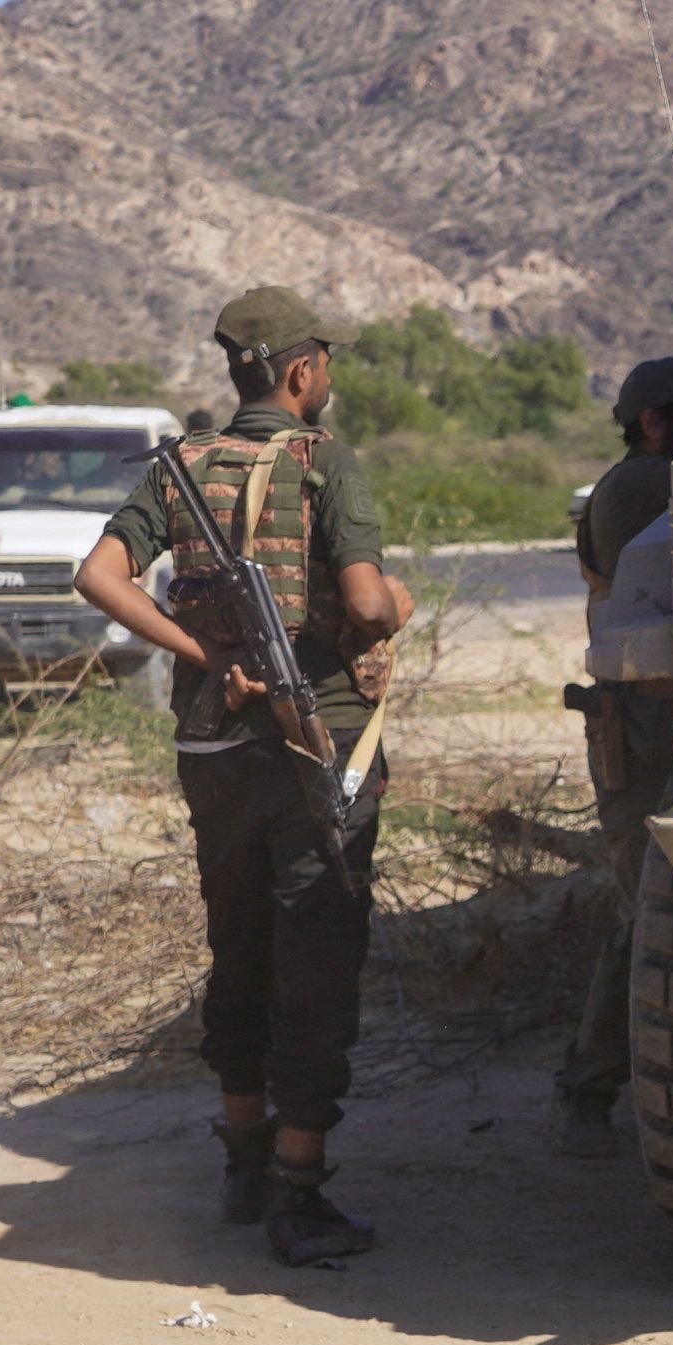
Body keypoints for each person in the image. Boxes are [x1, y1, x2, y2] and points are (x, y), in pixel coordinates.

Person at [73, 287, 407, 1265]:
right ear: (301, 371)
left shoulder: (181, 466)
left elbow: (98, 574)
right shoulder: (324, 462)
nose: (329, 378)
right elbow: (361, 600)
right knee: (318, 955)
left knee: (240, 941)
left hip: (213, 748)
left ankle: (242, 1160)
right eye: (326, 363)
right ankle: (299, 1191)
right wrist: (395, 605)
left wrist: (206, 659)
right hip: (321, 750)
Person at [550, 354, 673, 1157]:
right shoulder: (643, 489)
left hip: (672, 717)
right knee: (648, 908)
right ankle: (587, 1090)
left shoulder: (660, 482)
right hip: (642, 726)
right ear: (656, 423)